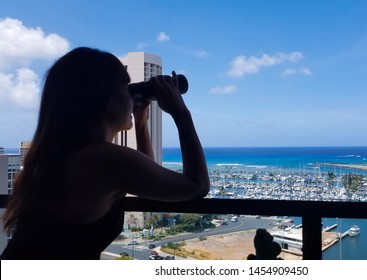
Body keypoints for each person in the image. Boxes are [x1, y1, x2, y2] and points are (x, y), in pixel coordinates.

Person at [1, 47, 210, 259]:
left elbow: (144, 180)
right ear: (105, 100)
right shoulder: (104, 160)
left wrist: (140, 122)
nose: (131, 96)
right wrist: (181, 113)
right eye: (125, 87)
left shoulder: (53, 157)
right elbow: (197, 186)